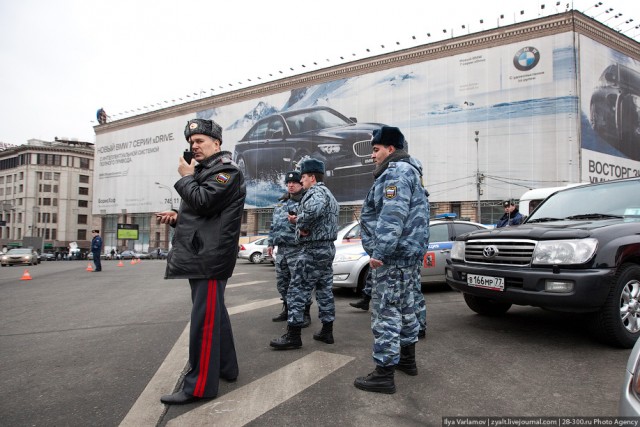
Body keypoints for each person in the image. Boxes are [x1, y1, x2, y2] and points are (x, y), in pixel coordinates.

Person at [156, 118, 246, 405]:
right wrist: (178, 217)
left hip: (209, 258)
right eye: (191, 142)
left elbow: (206, 201)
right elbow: (206, 215)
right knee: (214, 314)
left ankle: (199, 387)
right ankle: (226, 368)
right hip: (204, 253)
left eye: (200, 141)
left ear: (217, 143)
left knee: (203, 323)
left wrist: (184, 177)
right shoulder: (207, 171)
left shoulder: (226, 172)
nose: (194, 146)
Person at [354, 125, 430, 394]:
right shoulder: (411, 171)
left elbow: (392, 215)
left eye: (375, 150)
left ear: (390, 149)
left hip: (393, 257)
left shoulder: (396, 172)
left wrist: (380, 252)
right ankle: (407, 360)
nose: (373, 156)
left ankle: (383, 374)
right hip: (407, 256)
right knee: (407, 308)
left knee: (386, 312)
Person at [270, 158, 339, 350]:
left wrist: (299, 222)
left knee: (297, 290)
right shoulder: (329, 194)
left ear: (311, 178)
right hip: (325, 248)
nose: (301, 180)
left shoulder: (315, 193)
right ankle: (327, 330)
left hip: (312, 250)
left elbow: (311, 212)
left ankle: (293, 335)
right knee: (324, 289)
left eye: (303, 177)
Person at [267, 170, 312, 327]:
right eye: (288, 183)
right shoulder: (281, 203)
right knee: (282, 283)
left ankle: (305, 313)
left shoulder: (307, 202)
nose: (291, 185)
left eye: (294, 183)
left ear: (301, 184)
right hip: (282, 250)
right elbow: (274, 225)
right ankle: (287, 309)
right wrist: (270, 243)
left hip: (298, 249)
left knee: (300, 283)